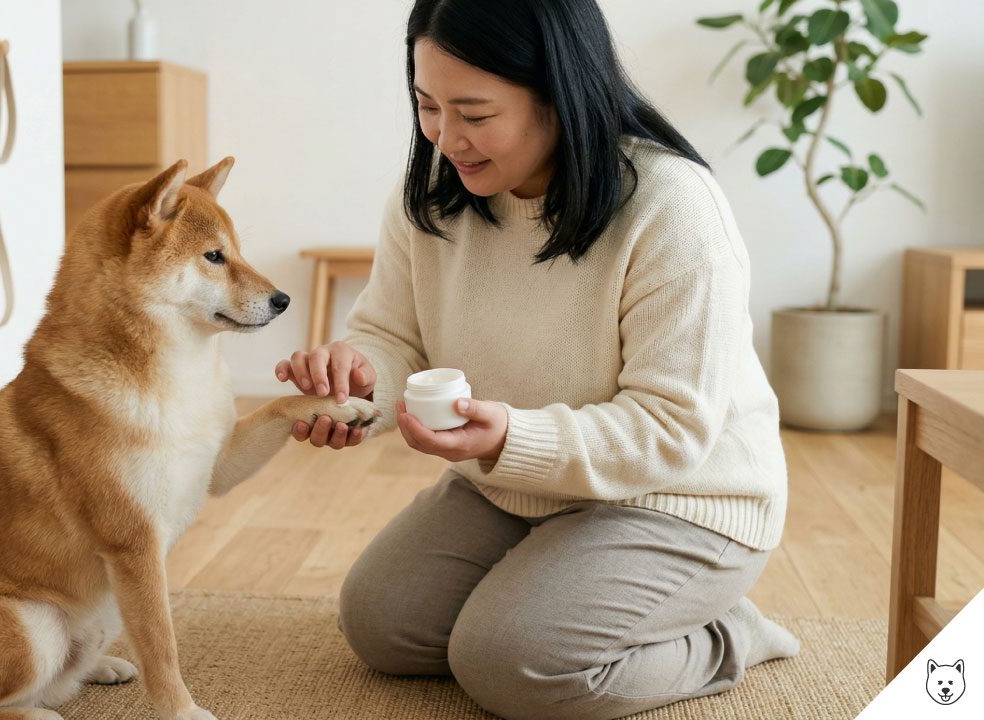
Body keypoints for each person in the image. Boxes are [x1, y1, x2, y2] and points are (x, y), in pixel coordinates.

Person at [272, 1, 799, 718]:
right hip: (518, 487)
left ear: (559, 94)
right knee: (382, 625)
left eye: (475, 113)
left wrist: (510, 438)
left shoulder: (672, 206)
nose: (446, 136)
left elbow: (671, 427)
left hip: (680, 498)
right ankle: (560, 584)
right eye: (427, 105)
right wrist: (357, 381)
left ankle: (727, 634)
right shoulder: (430, 197)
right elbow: (394, 337)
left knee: (509, 664)